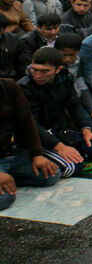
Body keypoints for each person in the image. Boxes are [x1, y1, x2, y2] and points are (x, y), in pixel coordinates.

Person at [18, 47, 92, 177]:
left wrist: (86, 129)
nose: (38, 75)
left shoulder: (65, 77)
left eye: (44, 71)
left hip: (58, 131)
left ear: (58, 69)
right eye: (35, 70)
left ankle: (69, 154)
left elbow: (74, 105)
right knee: (72, 167)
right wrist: (59, 146)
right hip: (36, 139)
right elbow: (31, 125)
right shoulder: (24, 87)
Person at [0, 78, 60, 211]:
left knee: (51, 174)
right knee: (4, 199)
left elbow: (27, 120)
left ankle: (8, 177)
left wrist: (37, 154)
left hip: (10, 154)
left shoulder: (9, 86)